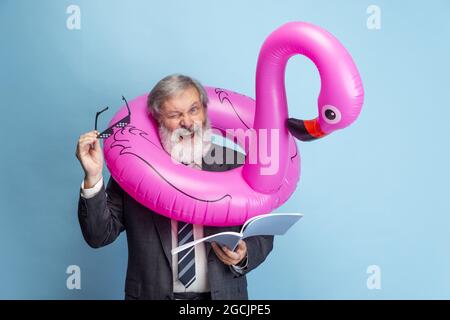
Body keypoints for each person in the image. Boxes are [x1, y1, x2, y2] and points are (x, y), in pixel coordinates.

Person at [75, 74, 274, 300]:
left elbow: (262, 232)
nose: (188, 123)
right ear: (157, 120)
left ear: (205, 112)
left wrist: (245, 252)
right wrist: (92, 177)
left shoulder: (234, 163)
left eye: (193, 110)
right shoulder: (137, 169)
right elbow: (98, 235)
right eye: (175, 115)